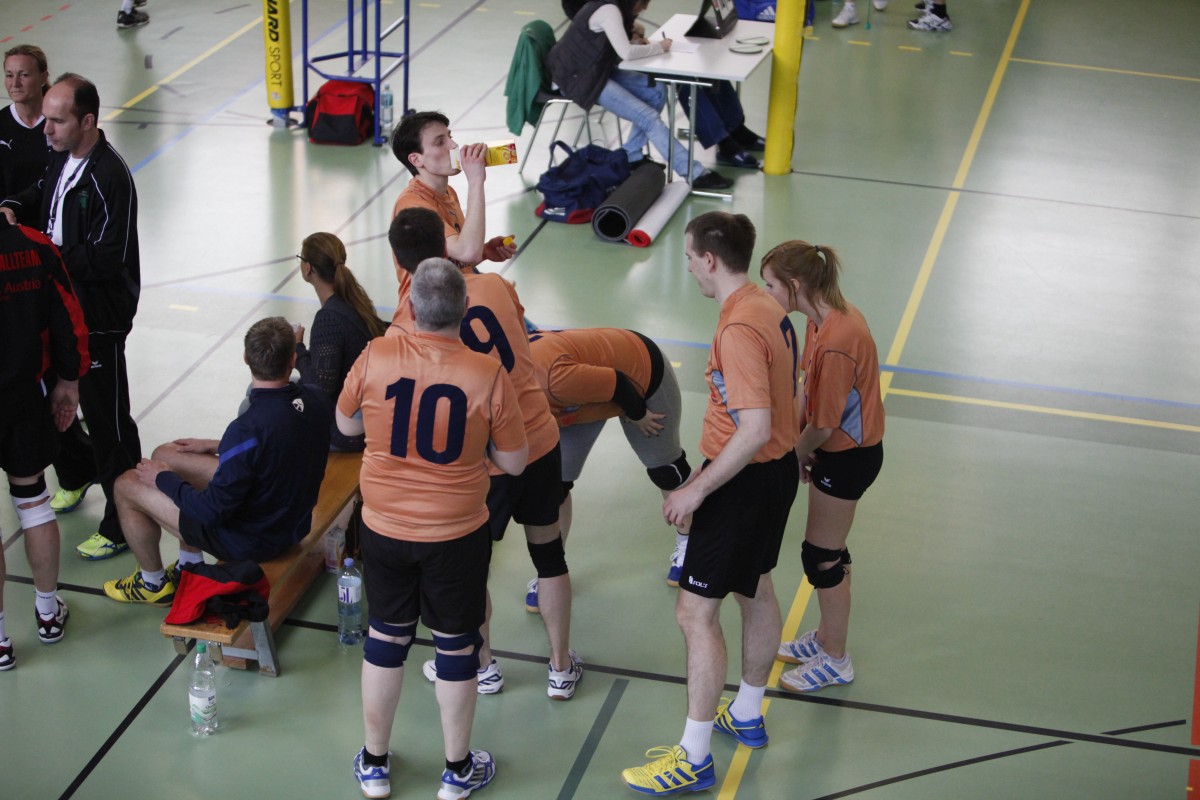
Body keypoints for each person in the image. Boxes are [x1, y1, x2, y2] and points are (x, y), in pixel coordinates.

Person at [621, 212, 800, 795]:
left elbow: (754, 427)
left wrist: (697, 487)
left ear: (710, 260)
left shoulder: (738, 328)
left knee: (695, 614)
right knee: (756, 587)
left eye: (690, 257)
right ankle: (746, 712)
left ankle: (693, 757)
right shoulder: (767, 306)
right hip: (774, 474)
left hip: (742, 482)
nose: (689, 267)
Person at [338, 259, 528, 800]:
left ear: (411, 307)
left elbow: (347, 425)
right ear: (465, 309)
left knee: (386, 637)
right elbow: (515, 462)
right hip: (456, 534)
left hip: (384, 528)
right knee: (456, 646)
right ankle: (457, 771)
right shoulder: (486, 373)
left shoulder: (375, 355)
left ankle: (375, 764)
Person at [389, 208, 583, 701]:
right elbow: (522, 338)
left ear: (399, 262)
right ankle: (560, 667)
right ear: (446, 244)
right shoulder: (495, 286)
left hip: (482, 461)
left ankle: (483, 666)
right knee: (550, 556)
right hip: (537, 438)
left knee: (474, 567)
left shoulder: (407, 323)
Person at [0, 73, 144, 563]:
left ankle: (122, 522)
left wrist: (47, 253)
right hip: (61, 310)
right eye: (47, 118)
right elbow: (43, 190)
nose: (46, 129)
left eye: (58, 121)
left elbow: (107, 258)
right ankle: (79, 471)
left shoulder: (110, 177)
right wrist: (12, 206)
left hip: (98, 319)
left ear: (87, 121)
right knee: (50, 404)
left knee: (108, 422)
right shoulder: (61, 155)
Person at [100, 317, 332, 607]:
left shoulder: (246, 429)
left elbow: (210, 511)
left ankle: (152, 583)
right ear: (293, 359)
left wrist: (163, 479)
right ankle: (189, 565)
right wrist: (216, 446)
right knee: (168, 454)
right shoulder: (315, 399)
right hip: (291, 523)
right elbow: (278, 440)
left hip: (252, 541)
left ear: (246, 357)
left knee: (125, 485)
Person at [762, 241, 885, 692]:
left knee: (822, 557)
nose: (766, 293)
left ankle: (835, 660)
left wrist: (794, 453)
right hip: (832, 450)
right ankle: (827, 638)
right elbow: (805, 392)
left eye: (770, 285)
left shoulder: (838, 339)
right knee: (828, 550)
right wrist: (798, 442)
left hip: (849, 457)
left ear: (795, 286)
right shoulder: (820, 320)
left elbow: (826, 423)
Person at [527, 327, 693, 588]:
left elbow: (618, 383)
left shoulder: (553, 379)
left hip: (639, 376)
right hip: (577, 397)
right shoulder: (504, 385)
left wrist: (639, 414)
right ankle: (551, 569)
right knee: (555, 487)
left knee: (667, 470)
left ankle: (690, 543)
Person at [0, 214, 89, 671]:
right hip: (24, 396)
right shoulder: (34, 246)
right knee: (33, 499)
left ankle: (0, 640)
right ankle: (48, 613)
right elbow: (69, 316)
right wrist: (69, 381)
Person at [547, 0, 734, 190]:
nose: (644, 8)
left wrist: (637, 42)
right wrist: (659, 47)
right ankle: (694, 173)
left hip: (595, 69)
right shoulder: (609, 10)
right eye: (643, 3)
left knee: (656, 90)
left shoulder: (612, 6)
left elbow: (611, 45)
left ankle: (631, 155)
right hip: (578, 77)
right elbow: (626, 53)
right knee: (648, 118)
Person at [293, 232, 387, 452]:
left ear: (308, 268)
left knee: (254, 402)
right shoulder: (355, 301)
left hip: (343, 429)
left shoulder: (328, 319)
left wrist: (298, 350)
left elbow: (320, 388)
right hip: (364, 412)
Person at [390, 111, 517, 273]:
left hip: (455, 280)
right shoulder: (412, 205)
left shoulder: (448, 192)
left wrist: (484, 251)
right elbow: (468, 253)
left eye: (450, 137)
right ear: (416, 159)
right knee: (497, 284)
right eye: (440, 142)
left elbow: (462, 254)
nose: (454, 145)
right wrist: (475, 181)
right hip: (434, 289)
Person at [0, 45, 52, 198]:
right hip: (9, 212)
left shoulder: (60, 122)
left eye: (24, 75)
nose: (15, 83)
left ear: (43, 77)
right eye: (9, 75)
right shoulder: (2, 123)